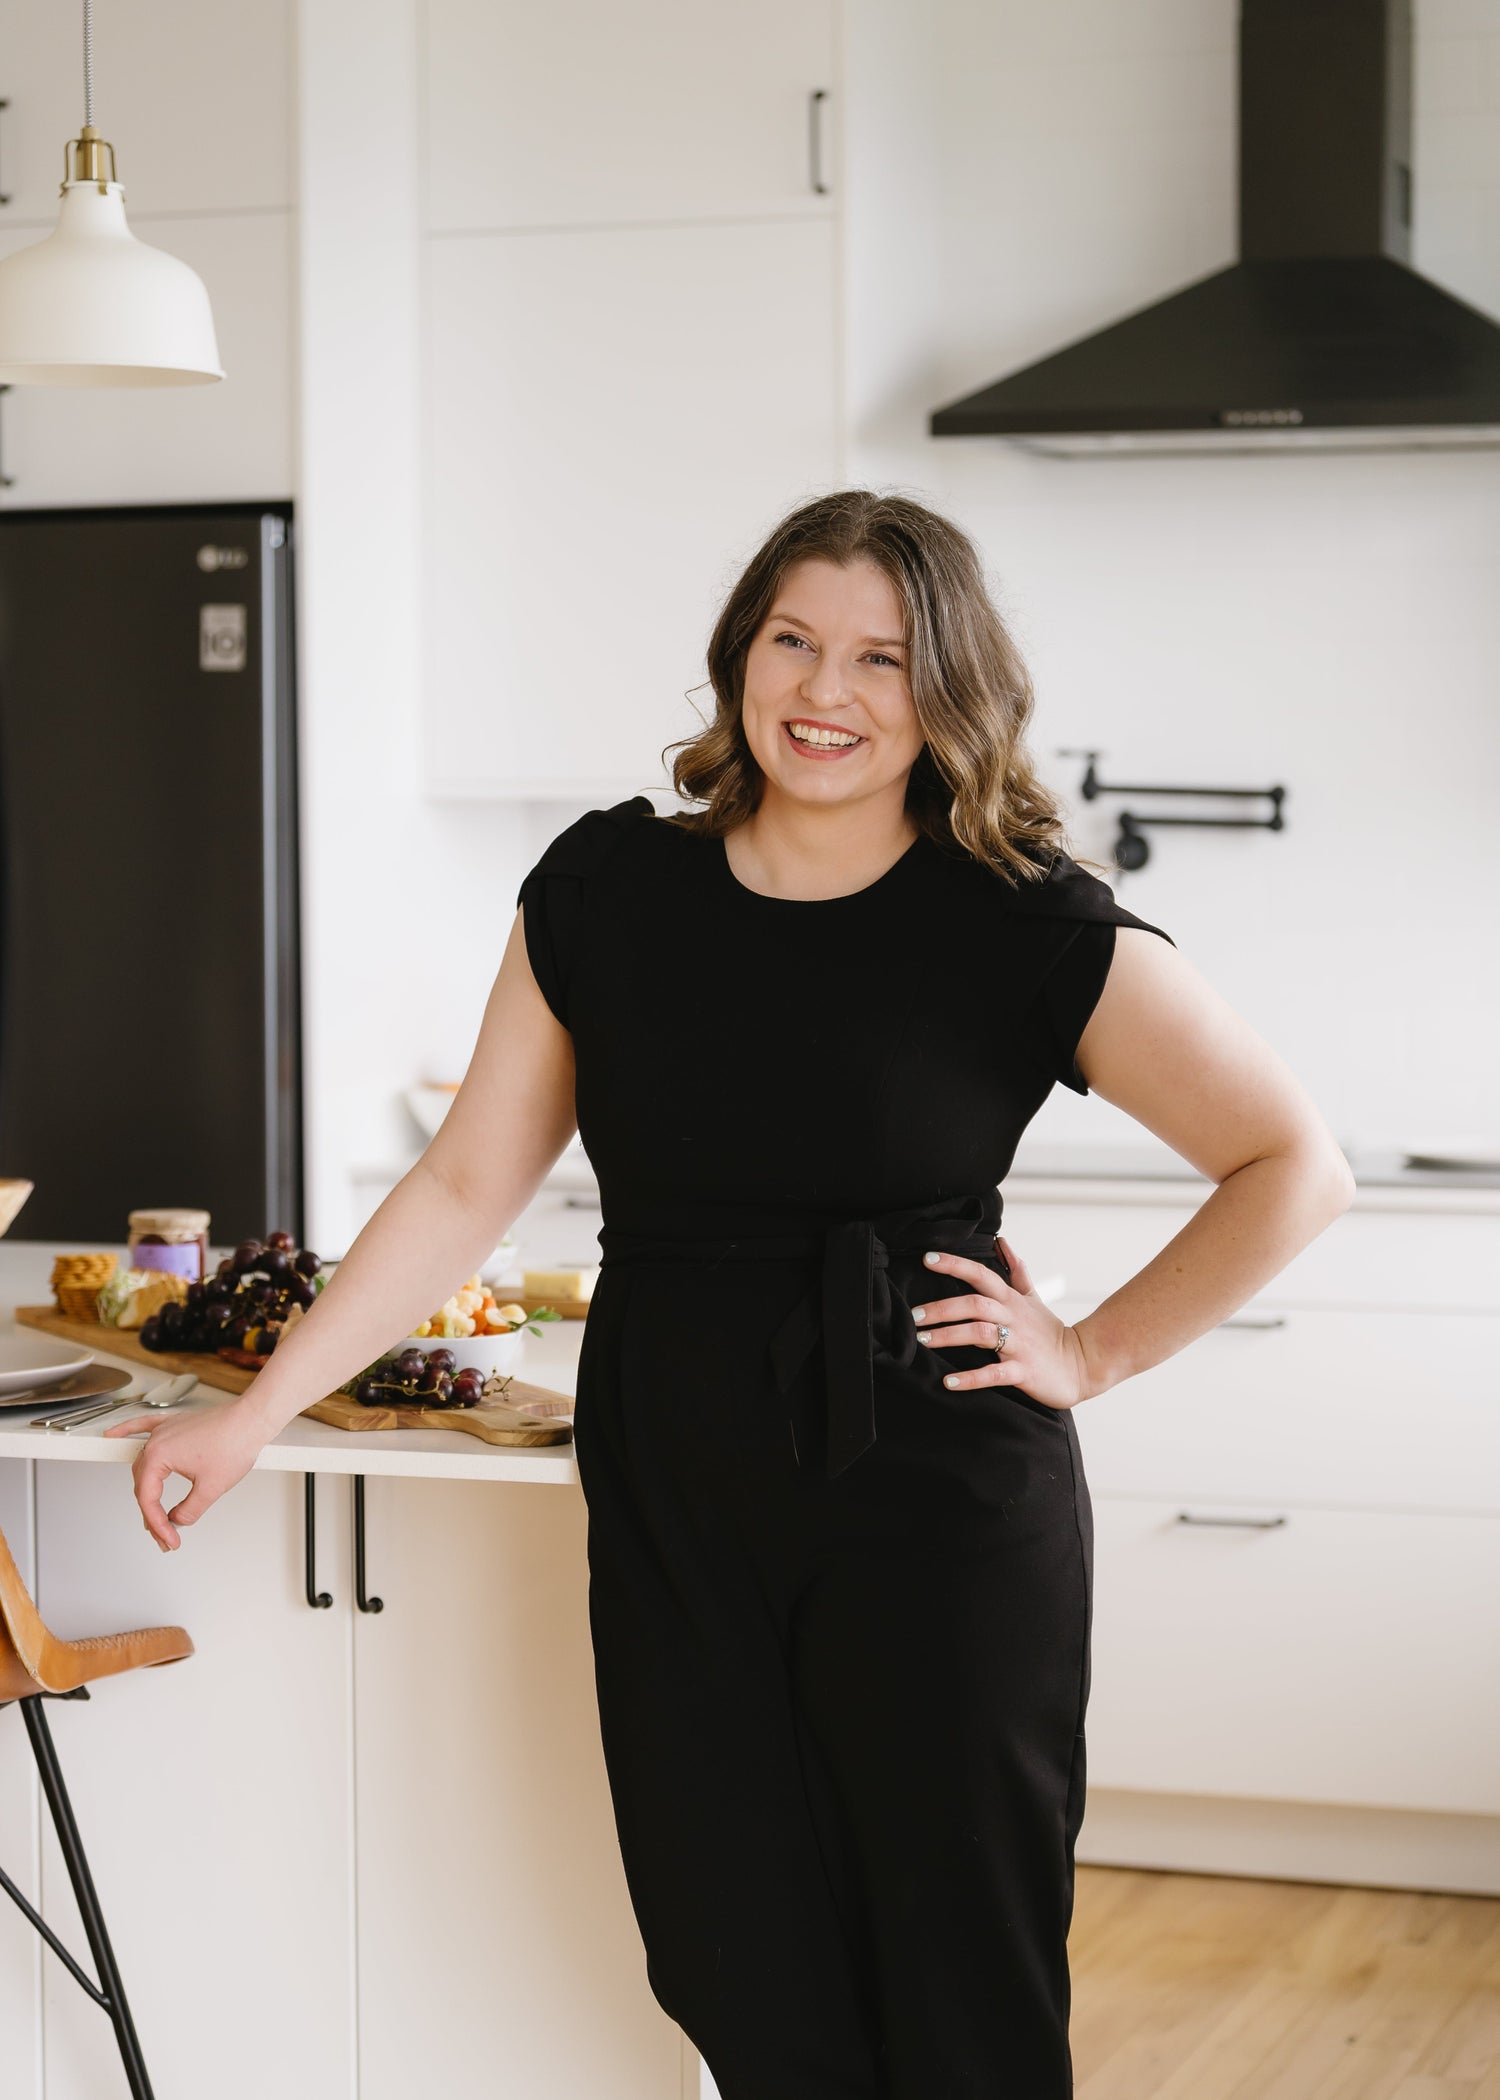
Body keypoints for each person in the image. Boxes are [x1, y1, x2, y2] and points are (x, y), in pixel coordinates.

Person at [109, 489, 1355, 2098]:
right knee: (729, 1954)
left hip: (941, 1508)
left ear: (948, 690)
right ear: (739, 657)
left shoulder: (1020, 916)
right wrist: (252, 1413)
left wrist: (1097, 1348)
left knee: (957, 1974)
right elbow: (463, 1188)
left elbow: (1291, 1164)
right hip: (682, 1494)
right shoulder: (608, 892)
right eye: (793, 641)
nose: (825, 694)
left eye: (882, 660)